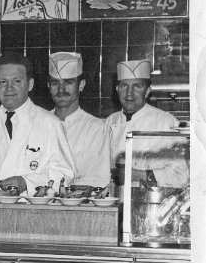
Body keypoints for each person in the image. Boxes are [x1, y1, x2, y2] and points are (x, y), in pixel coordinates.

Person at [0, 52, 74, 195]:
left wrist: (27, 183)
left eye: (17, 81)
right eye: (3, 82)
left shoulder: (50, 123)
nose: (9, 88)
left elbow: (65, 172)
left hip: (31, 206)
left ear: (30, 84)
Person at [104, 59, 187, 188]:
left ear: (147, 91)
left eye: (137, 86)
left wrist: (138, 175)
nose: (129, 93)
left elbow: (182, 176)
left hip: (152, 203)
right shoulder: (109, 122)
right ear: (117, 89)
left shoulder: (166, 122)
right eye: (124, 86)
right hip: (114, 203)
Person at [48, 52, 111, 188]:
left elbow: (96, 179)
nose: (61, 89)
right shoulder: (39, 122)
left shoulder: (95, 128)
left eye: (69, 82)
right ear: (48, 86)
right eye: (55, 83)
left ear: (81, 85)